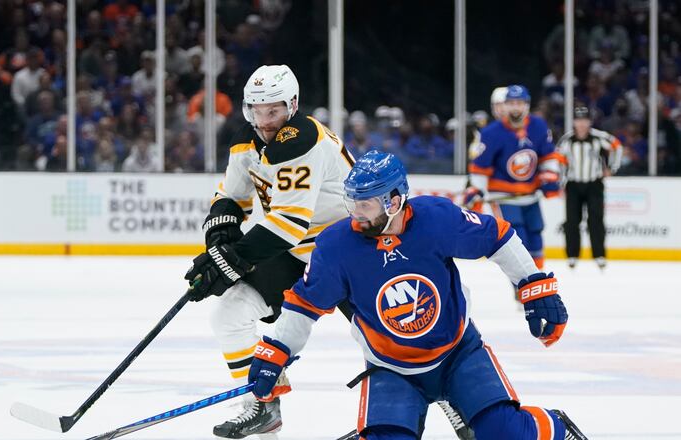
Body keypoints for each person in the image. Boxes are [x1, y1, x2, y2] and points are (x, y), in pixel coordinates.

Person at [248, 150, 588, 440]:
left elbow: (497, 237)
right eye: (351, 202)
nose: (355, 213)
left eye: (364, 204)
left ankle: (556, 427)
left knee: (505, 433)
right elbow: (305, 304)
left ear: (394, 200)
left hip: (459, 354)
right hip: (390, 369)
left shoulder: (436, 220)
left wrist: (533, 285)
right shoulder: (337, 246)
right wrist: (276, 350)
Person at [183, 64, 355, 438]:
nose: (264, 121)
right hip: (297, 252)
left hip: (350, 249)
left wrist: (230, 260)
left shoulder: (302, 139)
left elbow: (290, 222)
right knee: (228, 316)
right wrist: (220, 236)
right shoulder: (247, 141)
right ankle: (262, 405)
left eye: (273, 111)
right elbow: (232, 194)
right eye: (256, 111)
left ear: (292, 105)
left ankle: (451, 402)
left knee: (387, 336)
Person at [464, 85, 562, 271]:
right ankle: (521, 286)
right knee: (518, 240)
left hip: (531, 196)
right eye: (511, 103)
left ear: (527, 105)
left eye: (519, 103)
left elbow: (547, 156)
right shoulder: (491, 133)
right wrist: (477, 190)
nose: (515, 107)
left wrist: (549, 176)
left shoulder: (538, 126)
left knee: (535, 237)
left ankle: (537, 281)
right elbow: (480, 168)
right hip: (503, 197)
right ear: (505, 106)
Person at [556, 106, 622, 269]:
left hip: (594, 184)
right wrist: (560, 182)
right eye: (578, 120)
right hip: (573, 184)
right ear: (574, 122)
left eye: (584, 120)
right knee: (572, 221)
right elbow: (558, 159)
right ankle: (572, 255)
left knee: (596, 220)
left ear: (589, 121)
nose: (582, 124)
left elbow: (617, 146)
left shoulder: (598, 137)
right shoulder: (567, 139)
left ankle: (599, 255)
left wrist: (612, 168)